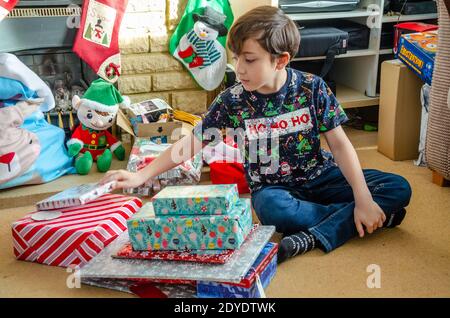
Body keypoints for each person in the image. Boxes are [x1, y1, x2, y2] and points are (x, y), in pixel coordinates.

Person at [101, 6, 412, 263]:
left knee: (398, 186)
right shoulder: (233, 100)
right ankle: (368, 218)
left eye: (248, 60)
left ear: (281, 60)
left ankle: (316, 233)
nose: (239, 68)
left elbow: (341, 146)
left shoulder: (312, 88)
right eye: (236, 58)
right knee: (273, 212)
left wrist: (362, 196)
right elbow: (192, 143)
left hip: (323, 177)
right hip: (273, 190)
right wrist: (141, 176)